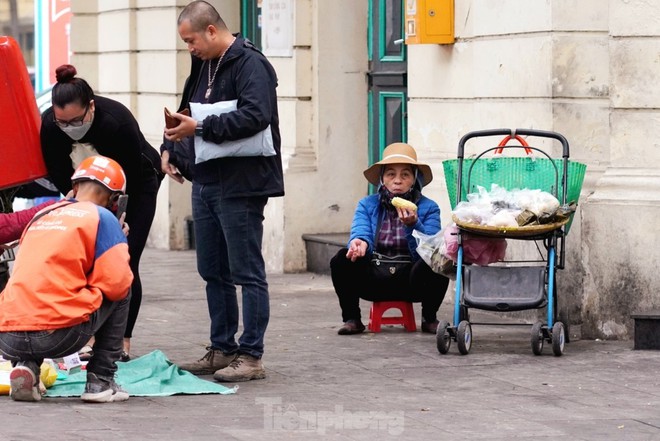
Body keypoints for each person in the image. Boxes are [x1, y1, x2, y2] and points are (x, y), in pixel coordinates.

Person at [161, 0, 284, 382]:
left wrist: (196, 129)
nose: (189, 48)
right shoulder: (203, 64)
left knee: (246, 270)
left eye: (191, 40)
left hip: (242, 184)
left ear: (211, 30)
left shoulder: (252, 64)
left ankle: (251, 356)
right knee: (212, 269)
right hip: (206, 181)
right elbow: (186, 111)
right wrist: (170, 149)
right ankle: (222, 347)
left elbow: (254, 116)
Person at [40, 64, 163, 361]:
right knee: (88, 262)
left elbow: (129, 176)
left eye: (76, 121)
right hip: (85, 188)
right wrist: (79, 203)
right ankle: (91, 335)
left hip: (136, 185)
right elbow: (58, 173)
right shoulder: (49, 125)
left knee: (124, 259)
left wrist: (116, 217)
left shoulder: (115, 122)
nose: (70, 127)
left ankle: (122, 339)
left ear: (91, 107)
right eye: (63, 123)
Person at [0, 155, 133, 403]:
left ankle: (27, 366)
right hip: (57, 336)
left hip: (8, 337)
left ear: (74, 188)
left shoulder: (42, 215)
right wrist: (118, 240)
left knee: (34, 293)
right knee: (125, 290)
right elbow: (116, 283)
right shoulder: (102, 218)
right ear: (115, 199)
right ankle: (100, 381)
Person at [330, 142, 450, 335]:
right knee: (341, 259)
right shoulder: (367, 204)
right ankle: (352, 318)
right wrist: (359, 244)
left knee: (441, 256)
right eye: (391, 174)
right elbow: (360, 232)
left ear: (414, 180)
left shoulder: (429, 208)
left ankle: (429, 318)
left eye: (405, 175)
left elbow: (429, 251)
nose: (397, 181)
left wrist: (413, 226)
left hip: (411, 282)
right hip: (374, 278)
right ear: (382, 180)